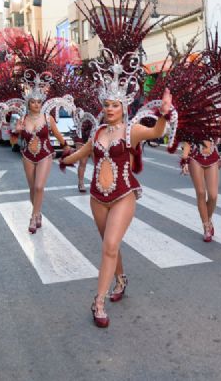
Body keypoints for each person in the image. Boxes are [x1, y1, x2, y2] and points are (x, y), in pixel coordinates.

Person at [61, 61, 173, 329]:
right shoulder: (98, 132)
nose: (110, 109)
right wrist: (66, 160)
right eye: (107, 104)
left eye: (115, 105)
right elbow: (84, 153)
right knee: (110, 246)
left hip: (123, 194)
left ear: (124, 107)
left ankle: (97, 302)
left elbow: (157, 132)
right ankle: (121, 279)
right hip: (98, 197)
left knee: (109, 246)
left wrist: (164, 114)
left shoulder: (132, 130)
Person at [10, 71, 72, 234]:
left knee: (39, 187)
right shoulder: (22, 120)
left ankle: (33, 216)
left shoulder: (47, 118)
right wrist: (16, 132)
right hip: (27, 156)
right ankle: (38, 213)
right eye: (33, 102)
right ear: (28, 103)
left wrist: (66, 147)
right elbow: (13, 142)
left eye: (39, 102)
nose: (36, 105)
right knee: (32, 188)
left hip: (45, 154)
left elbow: (58, 136)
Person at [181, 139, 220, 242]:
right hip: (195, 157)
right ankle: (206, 227)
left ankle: (208, 218)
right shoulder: (191, 123)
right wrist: (184, 160)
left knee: (213, 195)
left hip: (212, 156)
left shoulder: (217, 122)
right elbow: (187, 141)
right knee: (201, 192)